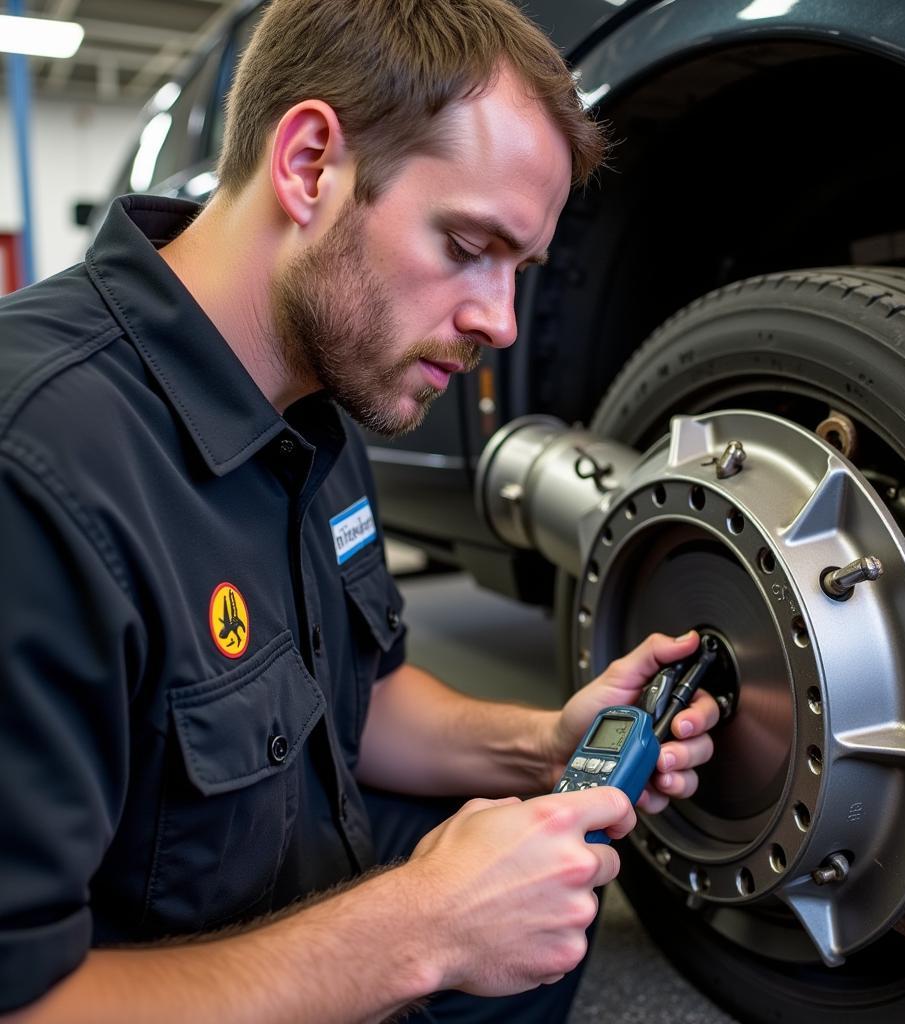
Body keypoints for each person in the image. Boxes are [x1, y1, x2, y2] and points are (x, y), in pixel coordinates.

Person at [0, 1, 719, 1020]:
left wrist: (545, 742)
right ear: (307, 166)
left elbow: (355, 694)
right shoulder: (37, 470)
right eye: (469, 244)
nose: (500, 323)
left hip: (286, 874)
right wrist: (417, 928)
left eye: (519, 271)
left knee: (539, 874)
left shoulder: (319, 390)